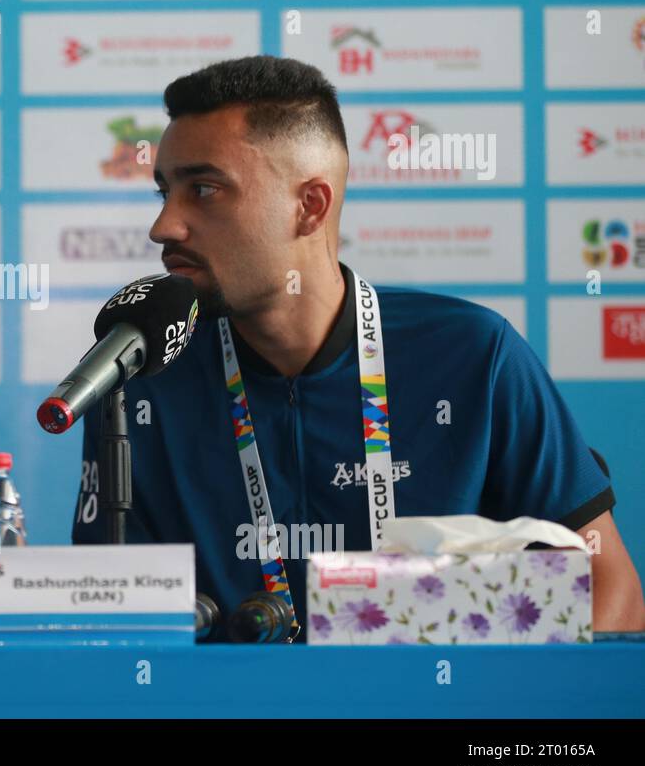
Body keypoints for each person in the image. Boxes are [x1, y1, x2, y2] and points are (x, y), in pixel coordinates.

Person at [72, 55, 645, 639]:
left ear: (310, 206)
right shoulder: (142, 374)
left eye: (204, 189)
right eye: (164, 191)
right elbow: (110, 622)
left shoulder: (475, 354)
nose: (165, 225)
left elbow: (612, 595)